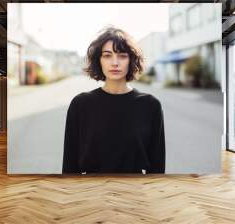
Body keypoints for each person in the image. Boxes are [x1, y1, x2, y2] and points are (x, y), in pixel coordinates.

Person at [62, 26, 165, 174]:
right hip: (89, 193)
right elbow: (69, 167)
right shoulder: (81, 104)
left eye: (122, 55)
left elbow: (157, 168)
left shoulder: (150, 106)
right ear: (99, 60)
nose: (115, 63)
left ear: (131, 60)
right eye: (107, 55)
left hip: (135, 193)